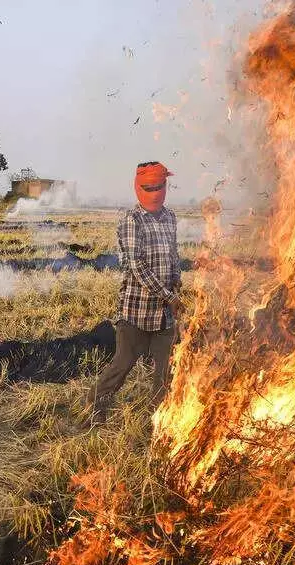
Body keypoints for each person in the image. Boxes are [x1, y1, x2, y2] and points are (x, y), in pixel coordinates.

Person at [88, 161, 182, 424]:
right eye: (148, 188)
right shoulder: (132, 221)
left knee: (166, 370)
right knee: (122, 365)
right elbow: (137, 267)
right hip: (136, 313)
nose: (154, 193)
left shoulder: (170, 217)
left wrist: (177, 281)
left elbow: (173, 255)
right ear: (138, 188)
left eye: (159, 187)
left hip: (164, 316)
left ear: (165, 186)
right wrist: (169, 296)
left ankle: (159, 420)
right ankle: (93, 410)